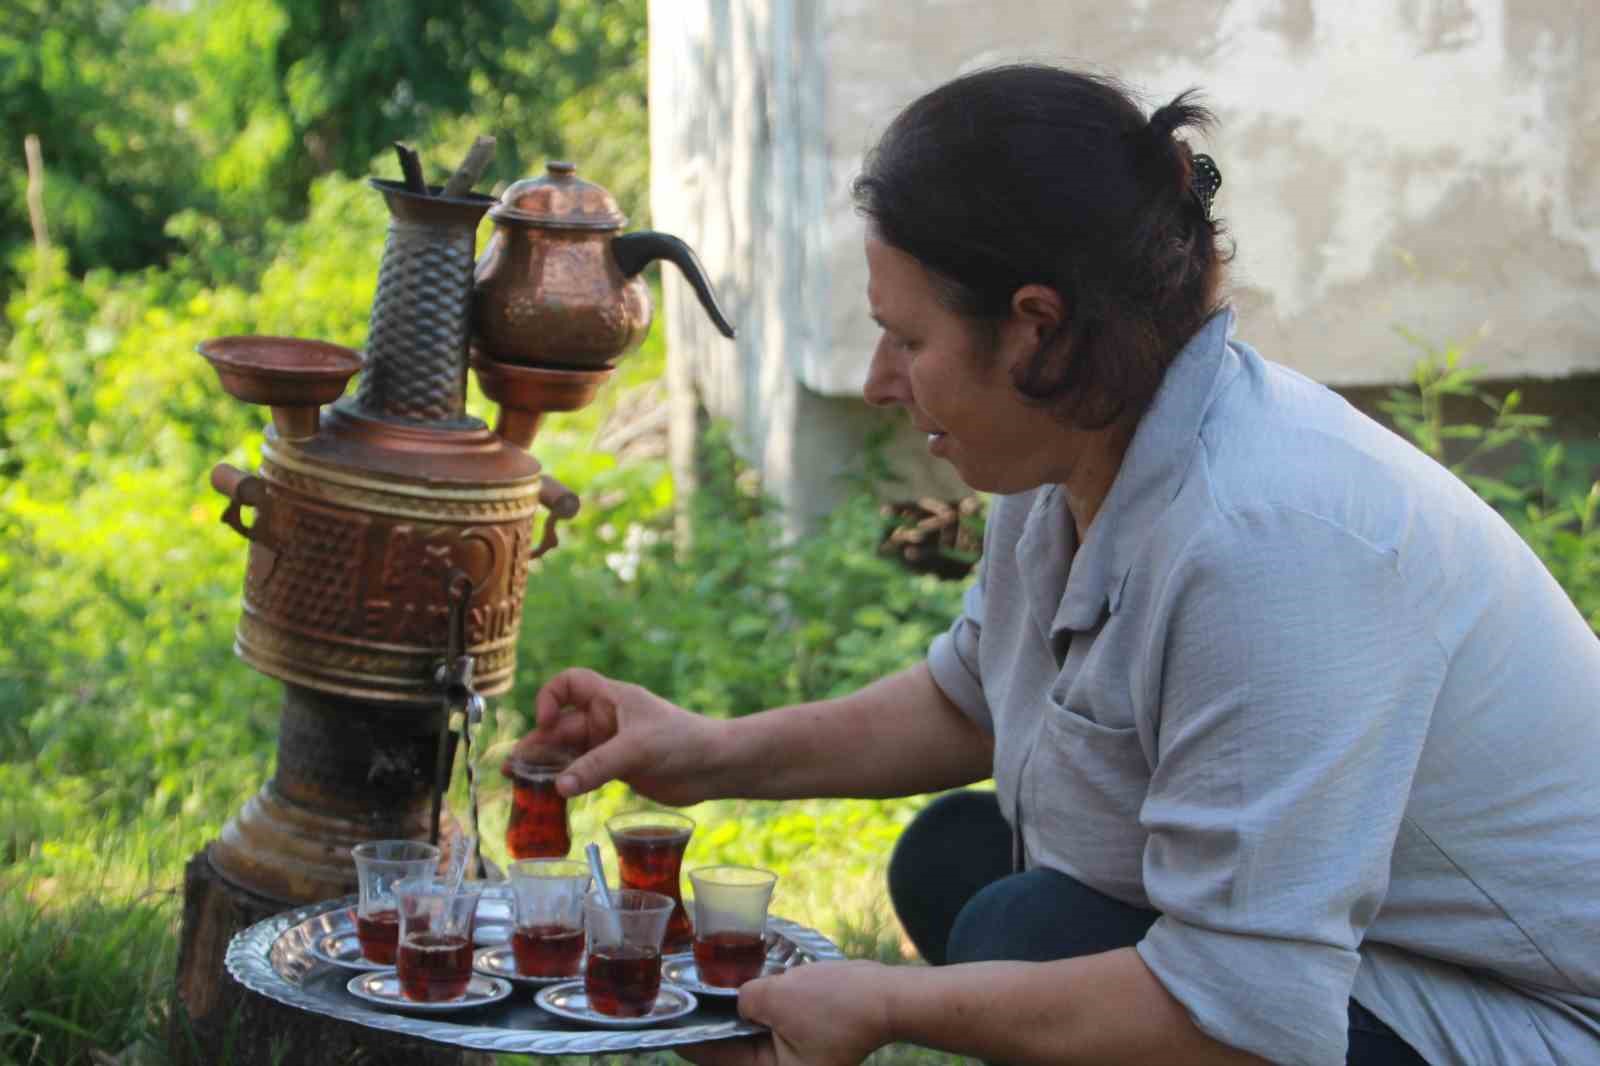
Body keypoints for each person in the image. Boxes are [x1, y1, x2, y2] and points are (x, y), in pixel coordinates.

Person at [524, 65, 1600, 1065]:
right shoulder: (1070, 454)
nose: (880, 379)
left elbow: (1246, 1005)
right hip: (1379, 945)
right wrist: (701, 751)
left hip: (1533, 1011)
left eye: (906, 339)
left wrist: (887, 1000)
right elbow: (971, 696)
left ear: (1034, 328)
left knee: (1023, 926)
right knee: (956, 853)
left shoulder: (1265, 542)